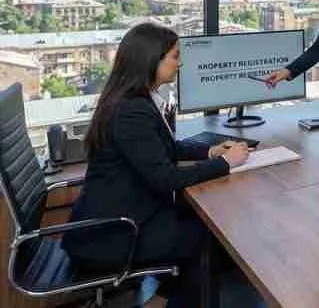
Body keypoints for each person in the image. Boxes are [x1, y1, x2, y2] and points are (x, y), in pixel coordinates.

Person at [61, 23, 250, 308]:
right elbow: (165, 178)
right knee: (210, 239)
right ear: (151, 60)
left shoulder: (134, 99)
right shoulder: (132, 111)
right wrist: (225, 162)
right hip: (112, 233)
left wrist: (210, 151)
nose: (180, 63)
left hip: (126, 217)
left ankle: (160, 301)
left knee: (205, 226)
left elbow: (163, 147)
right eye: (175, 56)